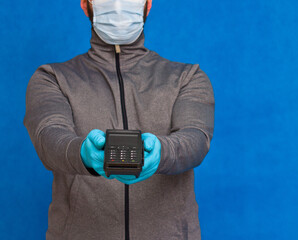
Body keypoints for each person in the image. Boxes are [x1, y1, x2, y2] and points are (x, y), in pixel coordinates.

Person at [24, 0, 215, 239]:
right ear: (86, 5)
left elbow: (196, 138)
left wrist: (163, 153)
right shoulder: (52, 79)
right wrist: (81, 153)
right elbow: (48, 136)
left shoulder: (187, 78)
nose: (117, 4)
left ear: (148, 4)